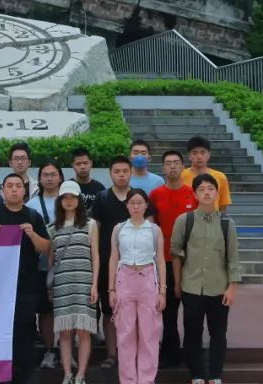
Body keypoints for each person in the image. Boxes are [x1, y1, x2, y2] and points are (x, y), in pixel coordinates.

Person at [171, 173, 241, 384]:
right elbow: (176, 253)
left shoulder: (227, 223)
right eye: (201, 189)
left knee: (218, 333)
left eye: (211, 189)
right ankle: (197, 375)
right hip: (191, 286)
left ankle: (215, 375)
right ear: (195, 194)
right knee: (193, 332)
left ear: (217, 193)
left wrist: (232, 287)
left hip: (218, 287)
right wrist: (177, 283)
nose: (207, 193)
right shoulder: (185, 220)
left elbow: (233, 258)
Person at [0, 173, 51, 384]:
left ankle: (24, 375)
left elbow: (46, 248)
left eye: (18, 186)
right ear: (2, 190)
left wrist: (32, 234)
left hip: (26, 283)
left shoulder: (33, 216)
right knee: (0, 328)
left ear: (24, 191)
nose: (14, 189)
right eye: (9, 186)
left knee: (25, 329)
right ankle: (0, 373)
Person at [109, 188, 165, 384]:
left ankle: (146, 380)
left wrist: (162, 291)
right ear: (127, 205)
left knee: (149, 333)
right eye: (132, 203)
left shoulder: (154, 230)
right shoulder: (119, 229)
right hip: (124, 279)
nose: (136, 206)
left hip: (148, 280)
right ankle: (128, 380)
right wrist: (111, 289)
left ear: (146, 205)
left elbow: (160, 261)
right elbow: (113, 259)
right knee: (125, 334)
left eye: (139, 203)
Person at [149, 150, 197, 369]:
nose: (173, 167)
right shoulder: (155, 195)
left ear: (183, 166)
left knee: (192, 312)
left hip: (191, 262)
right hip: (165, 260)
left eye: (176, 163)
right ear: (163, 168)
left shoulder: (193, 194)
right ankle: (171, 355)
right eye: (168, 163)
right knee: (168, 313)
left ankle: (192, 354)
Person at [48, 180, 99, 384]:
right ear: (60, 201)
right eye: (65, 197)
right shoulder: (53, 228)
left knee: (84, 333)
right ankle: (67, 374)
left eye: (73, 197)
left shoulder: (90, 224)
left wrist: (95, 285)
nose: (69, 201)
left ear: (79, 200)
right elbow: (51, 260)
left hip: (84, 284)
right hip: (62, 286)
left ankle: (80, 375)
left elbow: (95, 256)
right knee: (65, 333)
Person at [92, 155, 132, 370]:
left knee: (131, 310)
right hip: (108, 261)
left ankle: (130, 353)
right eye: (117, 171)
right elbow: (95, 230)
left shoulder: (137, 197)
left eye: (125, 171)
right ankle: (111, 354)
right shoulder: (102, 198)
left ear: (131, 172)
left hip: (134, 264)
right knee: (109, 309)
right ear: (110, 174)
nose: (121, 175)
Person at [28, 160, 64, 370]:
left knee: (68, 310)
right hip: (42, 266)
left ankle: (68, 351)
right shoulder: (32, 205)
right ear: (39, 179)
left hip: (69, 265)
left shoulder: (70, 200)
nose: (49, 178)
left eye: (53, 174)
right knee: (45, 310)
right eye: (45, 175)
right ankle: (50, 350)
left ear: (60, 177)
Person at [179, 137, 232, 211]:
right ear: (189, 156)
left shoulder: (220, 177)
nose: (199, 157)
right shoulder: (180, 177)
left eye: (203, 152)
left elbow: (223, 207)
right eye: (194, 153)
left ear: (209, 154)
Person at [70, 148, 106, 215]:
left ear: (91, 163)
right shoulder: (68, 186)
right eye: (78, 164)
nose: (82, 167)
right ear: (73, 165)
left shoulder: (100, 188)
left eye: (85, 163)